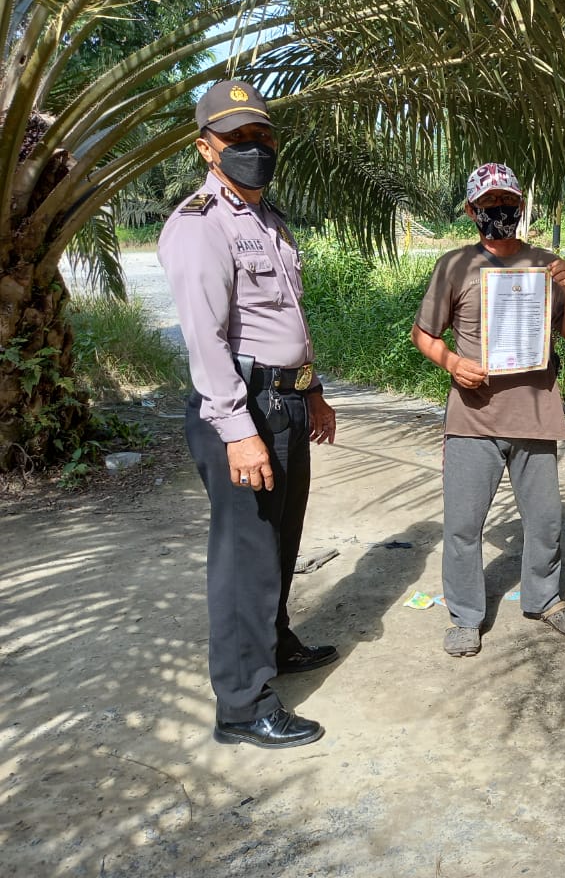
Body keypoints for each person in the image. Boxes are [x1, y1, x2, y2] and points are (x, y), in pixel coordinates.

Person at [159, 79, 338, 749]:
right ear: (206, 148)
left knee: (279, 541)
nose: (252, 148)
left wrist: (312, 391)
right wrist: (238, 431)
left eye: (261, 136)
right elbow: (206, 341)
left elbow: (284, 319)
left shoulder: (266, 220)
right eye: (236, 139)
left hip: (284, 399)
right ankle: (241, 704)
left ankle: (276, 644)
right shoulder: (199, 225)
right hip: (243, 406)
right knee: (245, 556)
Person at [412, 162, 565, 657]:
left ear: (520, 205)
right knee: (464, 525)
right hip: (473, 417)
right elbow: (423, 334)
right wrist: (452, 362)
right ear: (472, 210)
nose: (499, 211)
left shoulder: (549, 266)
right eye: (489, 204)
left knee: (546, 520)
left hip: (535, 415)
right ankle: (466, 617)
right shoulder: (454, 265)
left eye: (506, 202)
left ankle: (545, 599)